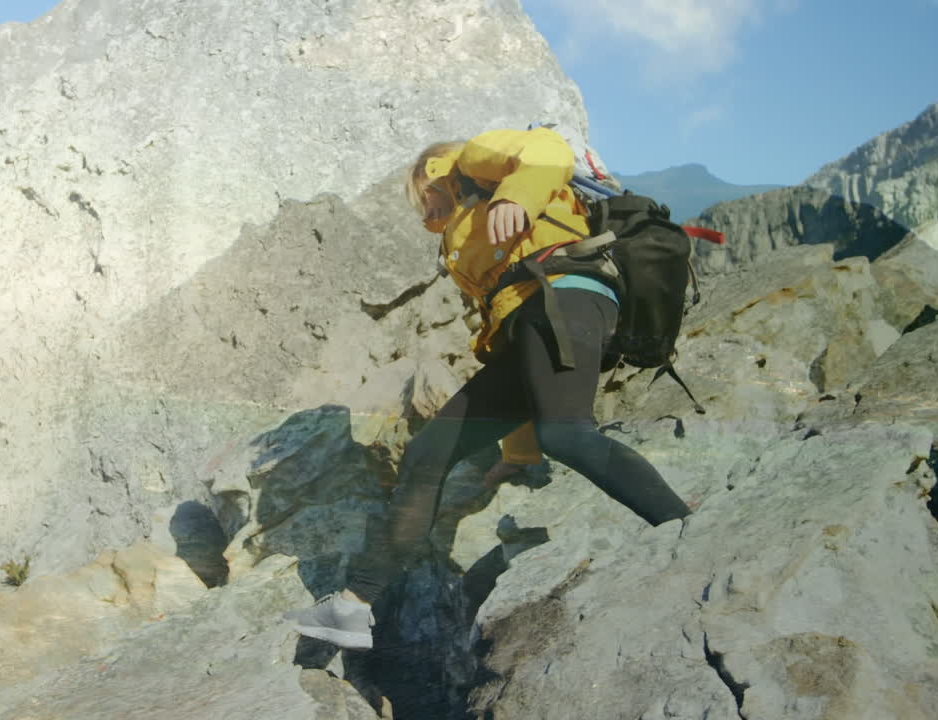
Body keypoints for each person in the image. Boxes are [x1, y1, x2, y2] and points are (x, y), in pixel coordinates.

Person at [284, 126, 691, 650]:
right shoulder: (467, 229)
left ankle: (687, 528)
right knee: (429, 452)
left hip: (565, 293)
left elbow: (548, 151)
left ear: (429, 178)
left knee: (566, 434)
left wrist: (516, 196)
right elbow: (524, 372)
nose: (426, 215)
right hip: (533, 317)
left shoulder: (472, 162)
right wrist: (518, 454)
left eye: (423, 203)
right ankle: (353, 607)